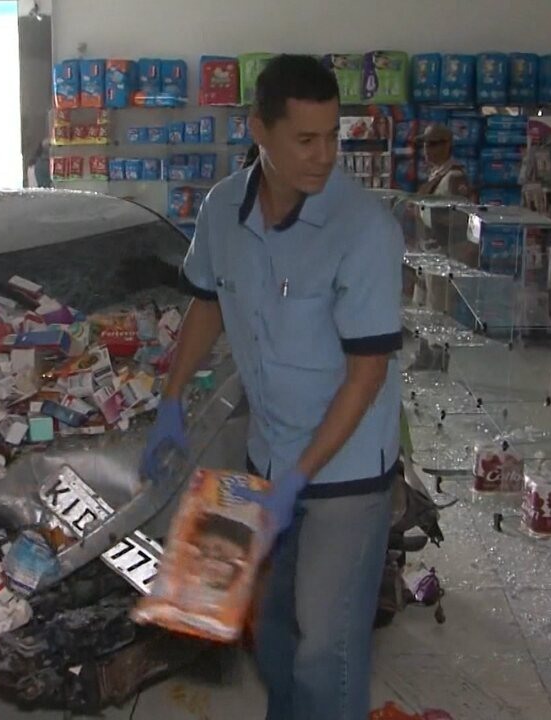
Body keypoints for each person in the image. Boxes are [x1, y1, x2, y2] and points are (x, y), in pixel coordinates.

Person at [141, 55, 402, 720]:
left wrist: (301, 477)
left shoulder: (365, 229)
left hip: (344, 471)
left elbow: (367, 370)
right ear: (260, 129)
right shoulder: (223, 207)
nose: (323, 156)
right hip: (269, 454)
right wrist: (172, 401)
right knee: (276, 628)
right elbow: (207, 303)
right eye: (305, 139)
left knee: (326, 647)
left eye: (332, 136)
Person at [416, 124, 476, 200]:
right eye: (424, 144)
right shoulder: (435, 172)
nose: (426, 148)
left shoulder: (454, 176)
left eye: (432, 143)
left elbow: (459, 209)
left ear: (447, 145)